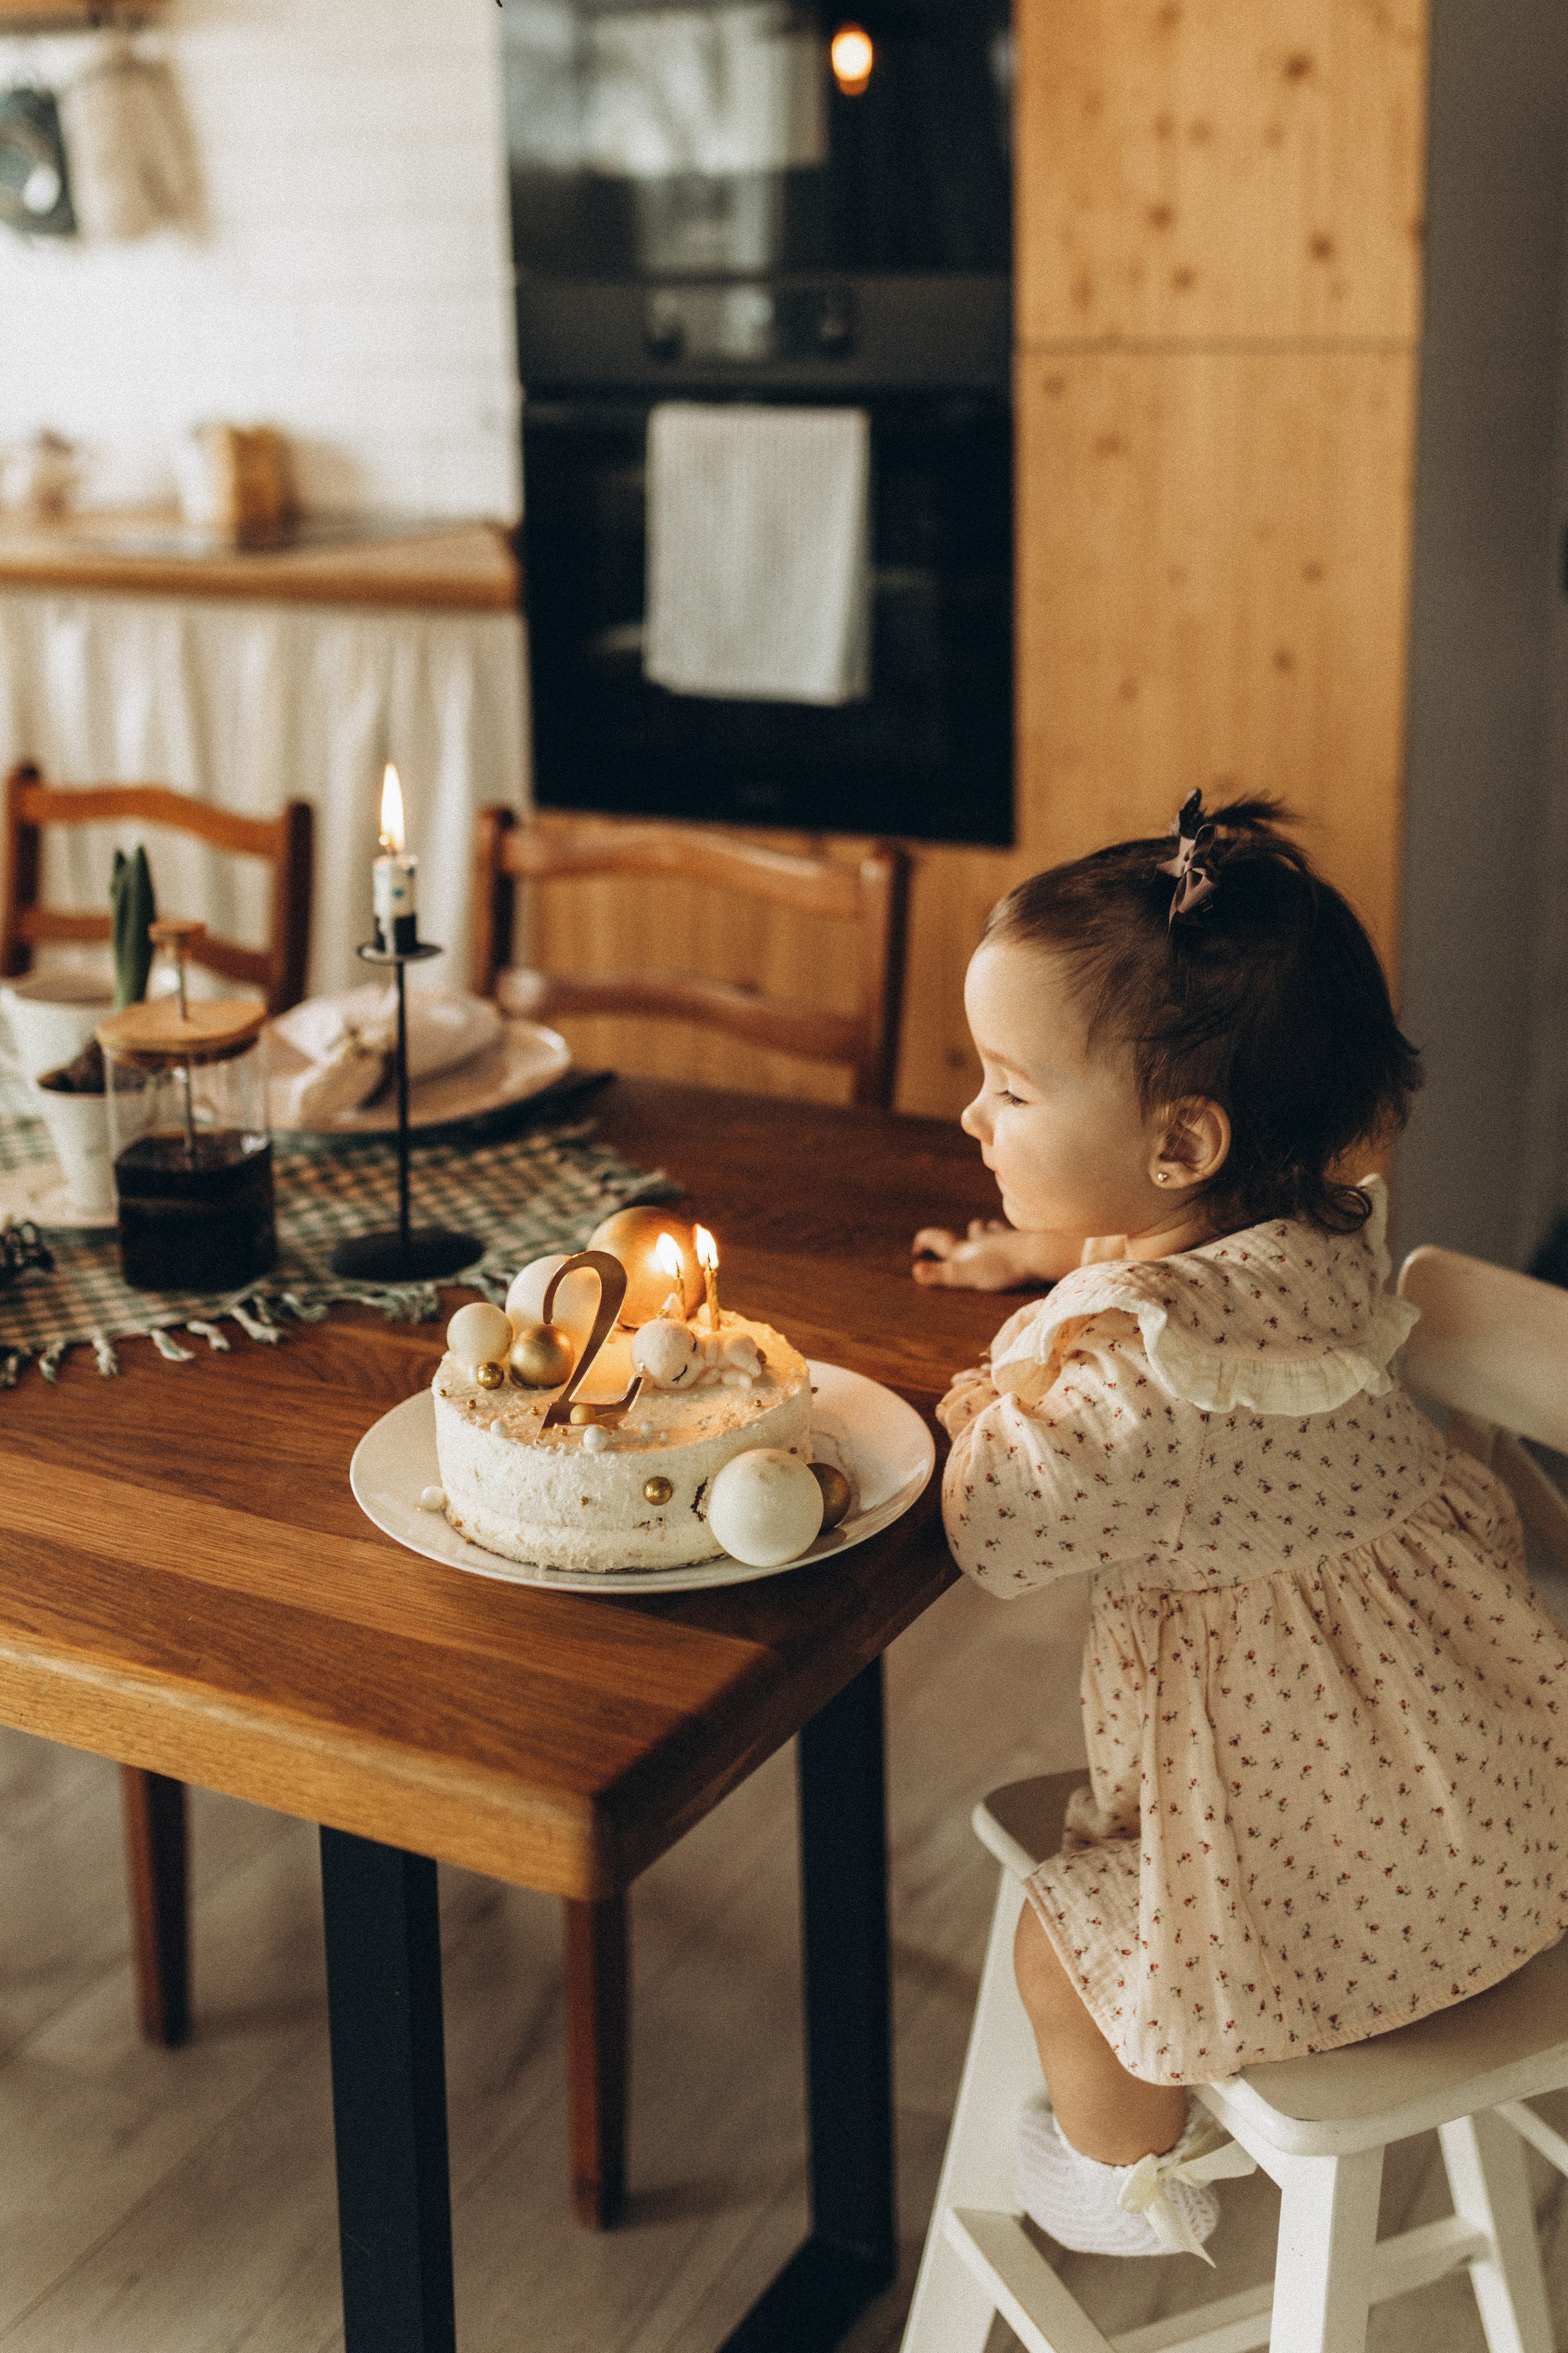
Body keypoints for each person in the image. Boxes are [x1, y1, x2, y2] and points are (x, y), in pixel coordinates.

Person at [919, 795, 1568, 2262]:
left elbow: (994, 1530)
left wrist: (1012, 1373)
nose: (970, 1115)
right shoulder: (1323, 1231)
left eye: (1009, 1089)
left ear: (1178, 1141)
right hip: (1493, 1822)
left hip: (1317, 1884)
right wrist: (1049, 1260)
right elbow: (1183, 1257)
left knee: (1050, 1945)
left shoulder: (1133, 1392)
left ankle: (1131, 2181)